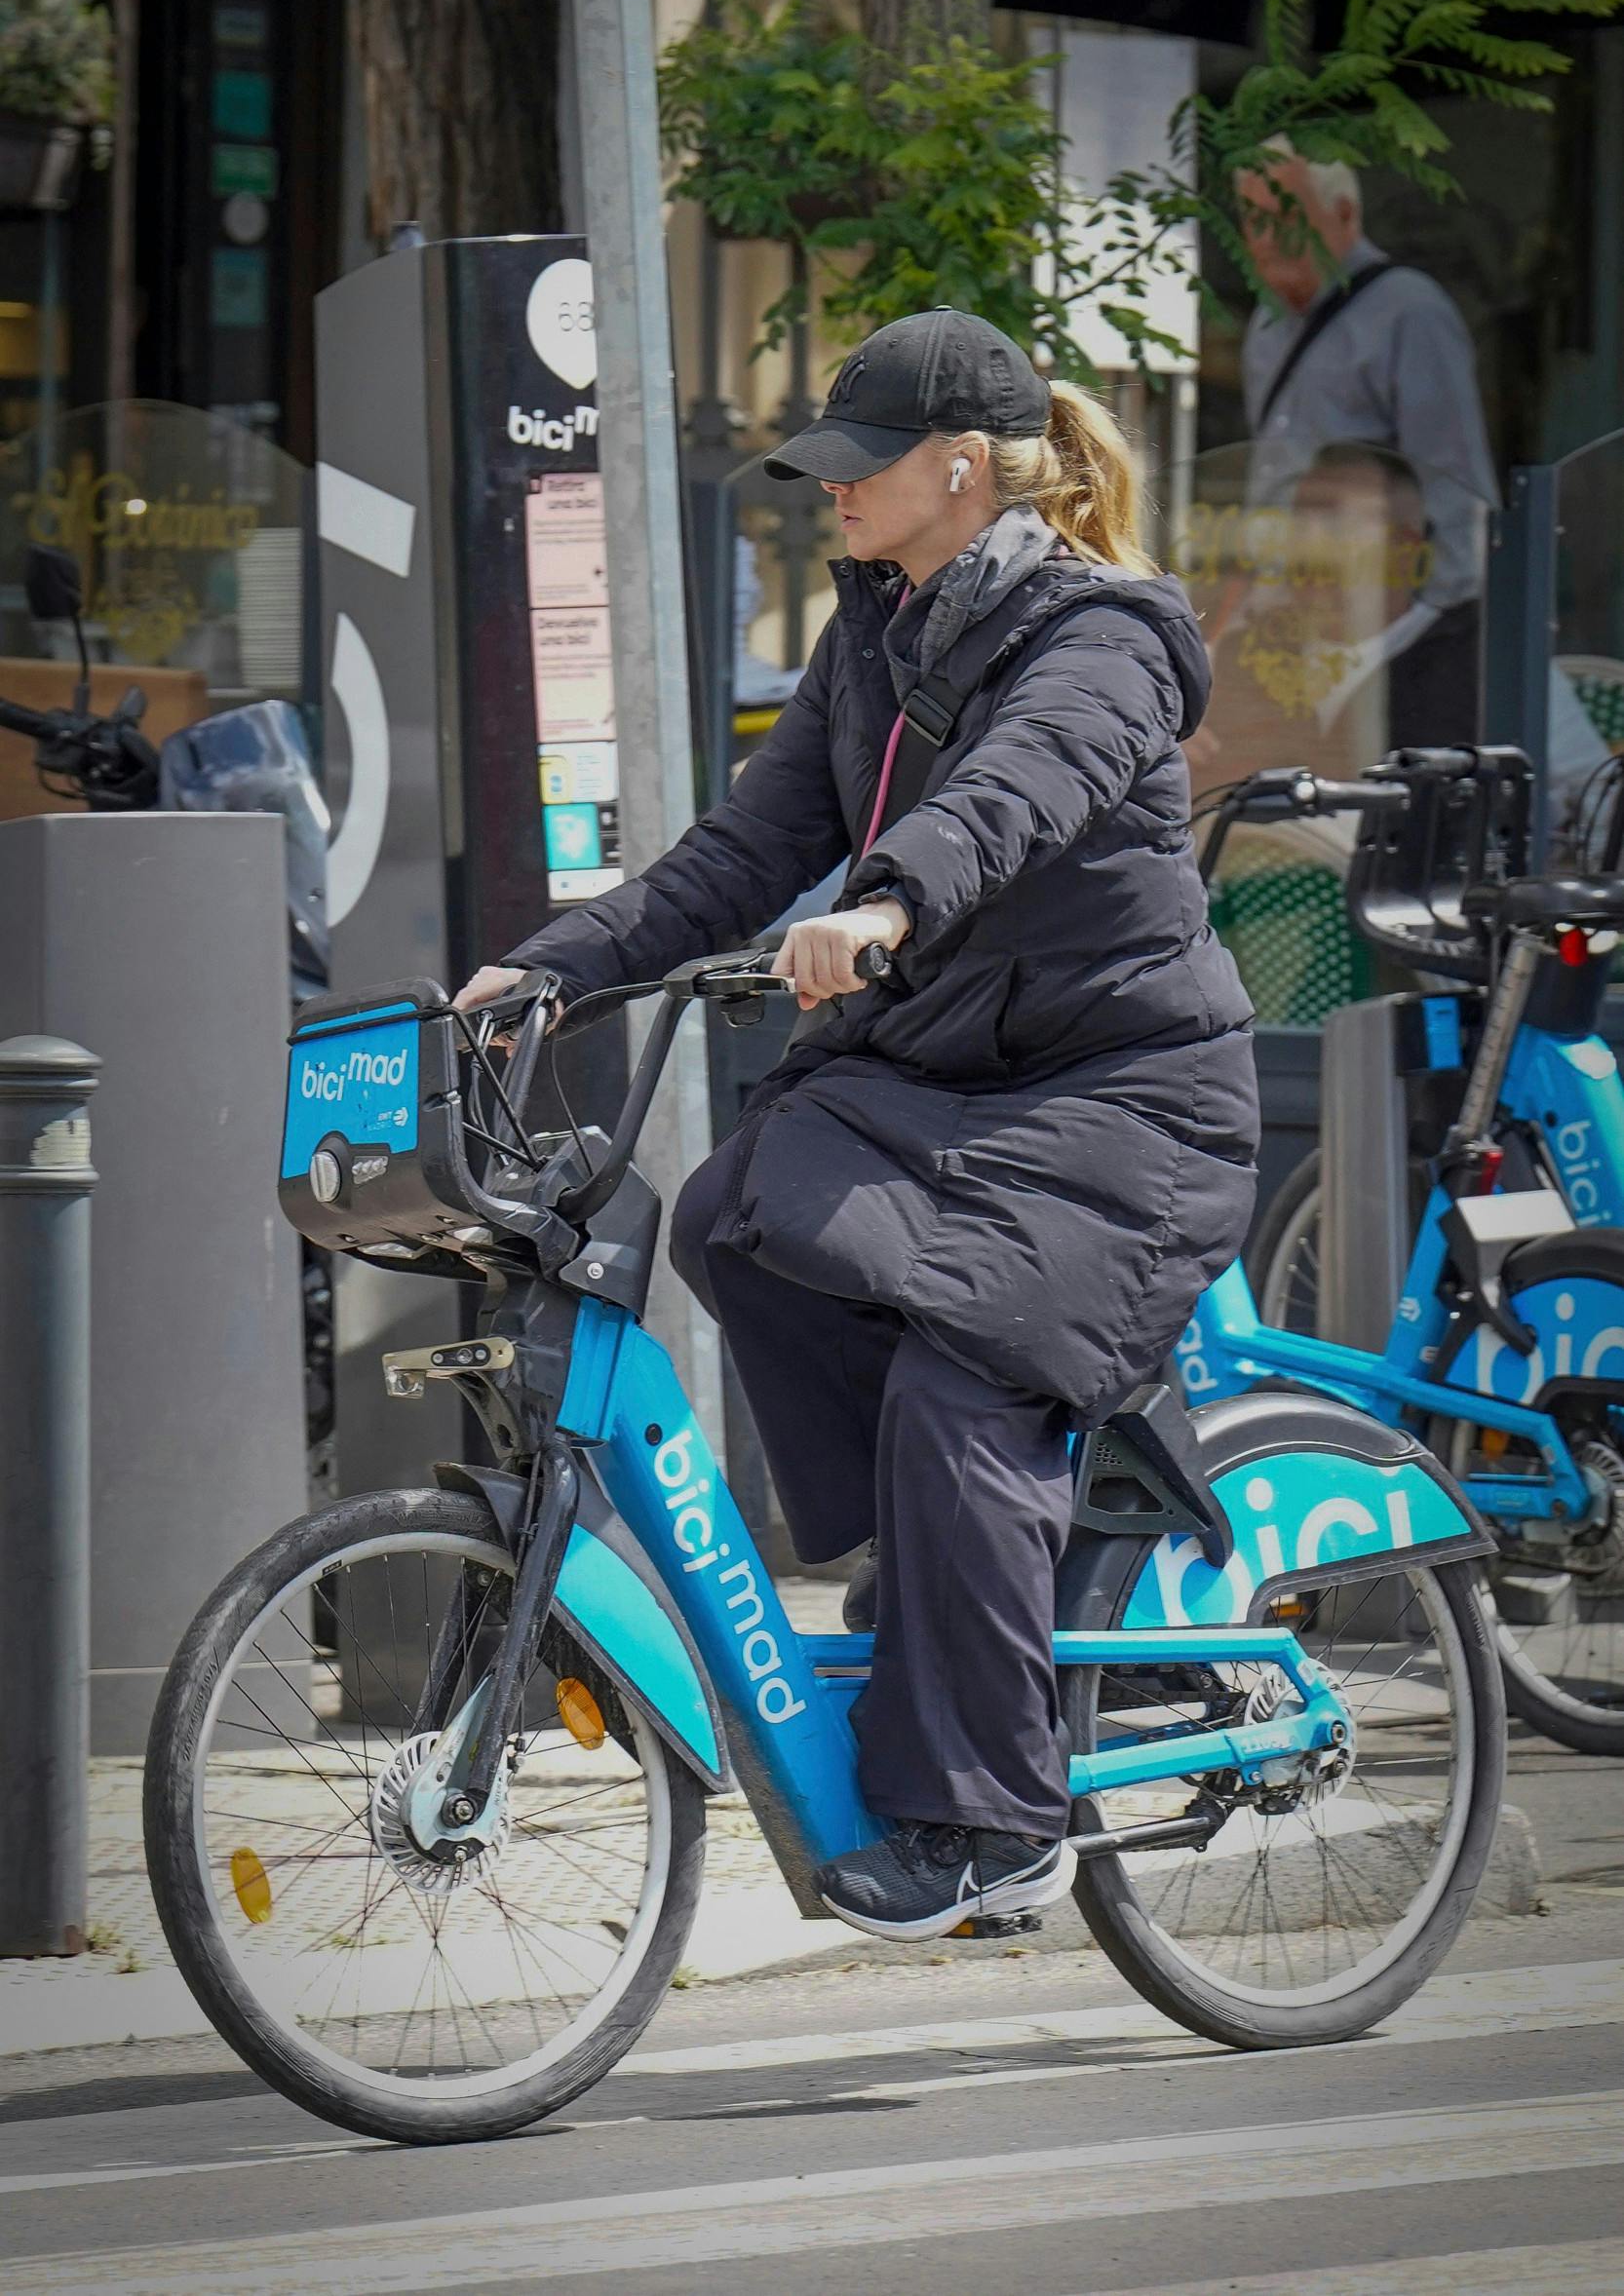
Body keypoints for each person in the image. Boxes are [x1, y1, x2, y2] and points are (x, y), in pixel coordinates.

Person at [456, 308, 1258, 1940]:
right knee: (738, 1213)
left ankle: (989, 1829)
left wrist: (886, 905)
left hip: (1125, 1101)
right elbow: (737, 860)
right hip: (957, 1087)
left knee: (961, 1392)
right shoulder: (875, 643)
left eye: (857, 465)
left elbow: (1016, 794)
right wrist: (548, 971)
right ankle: (955, 1583)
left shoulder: (1104, 637)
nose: (830, 494)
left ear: (959, 469)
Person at [1235, 141, 1496, 750]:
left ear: (1345, 215)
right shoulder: (1266, 327)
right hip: (1290, 624)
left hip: (1394, 631)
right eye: (1252, 219)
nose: (1265, 237)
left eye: (1285, 216)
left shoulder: (1411, 312)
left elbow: (1456, 490)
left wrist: (1421, 635)